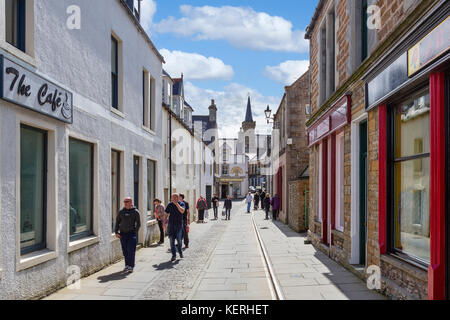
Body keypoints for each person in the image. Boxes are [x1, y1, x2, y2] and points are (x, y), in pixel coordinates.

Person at [115, 197, 141, 273]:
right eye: (125, 201)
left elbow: (138, 223)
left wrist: (135, 232)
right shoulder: (121, 212)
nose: (126, 203)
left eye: (127, 201)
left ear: (131, 202)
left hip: (131, 234)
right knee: (125, 251)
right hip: (123, 234)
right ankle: (127, 265)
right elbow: (117, 222)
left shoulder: (135, 212)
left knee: (131, 251)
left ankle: (131, 266)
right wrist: (116, 232)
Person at [165, 193, 186, 262]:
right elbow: (166, 214)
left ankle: (180, 252)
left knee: (179, 241)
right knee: (171, 241)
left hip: (179, 225)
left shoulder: (181, 203)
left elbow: (182, 211)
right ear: (171, 198)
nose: (174, 199)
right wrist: (164, 223)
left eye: (175, 197)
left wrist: (177, 204)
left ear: (178, 198)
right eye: (173, 198)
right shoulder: (169, 205)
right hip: (171, 225)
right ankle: (173, 255)